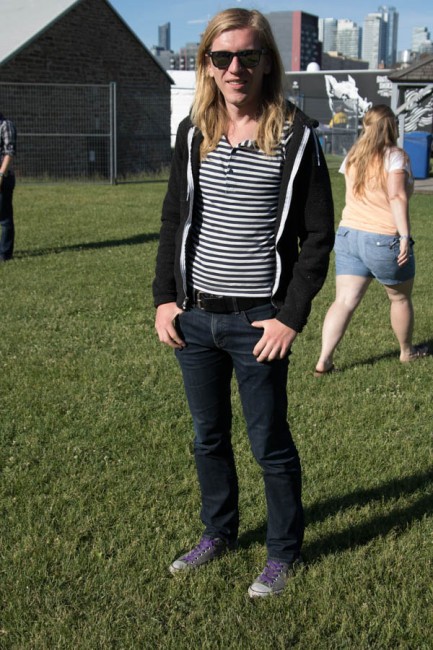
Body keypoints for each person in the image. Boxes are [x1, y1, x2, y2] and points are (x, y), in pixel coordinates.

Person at [153, 8, 334, 598]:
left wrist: (289, 318)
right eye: (223, 56)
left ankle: (283, 552)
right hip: (195, 318)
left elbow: (317, 239)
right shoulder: (193, 133)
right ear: (207, 64)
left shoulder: (297, 136)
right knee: (208, 436)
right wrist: (165, 301)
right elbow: (174, 220)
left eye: (248, 56)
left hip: (259, 323)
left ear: (266, 63)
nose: (236, 68)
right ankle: (219, 531)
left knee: (268, 443)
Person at [315, 104, 428, 377]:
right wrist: (404, 236)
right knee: (399, 298)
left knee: (343, 301)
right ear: (391, 127)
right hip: (383, 237)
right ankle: (407, 352)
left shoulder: (353, 156)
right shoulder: (396, 157)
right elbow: (397, 196)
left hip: (348, 236)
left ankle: (324, 360)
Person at [0, 112, 17, 263]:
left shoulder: (5, 125)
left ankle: (4, 254)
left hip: (3, 178)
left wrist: (1, 174)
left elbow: (9, 151)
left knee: (4, 218)